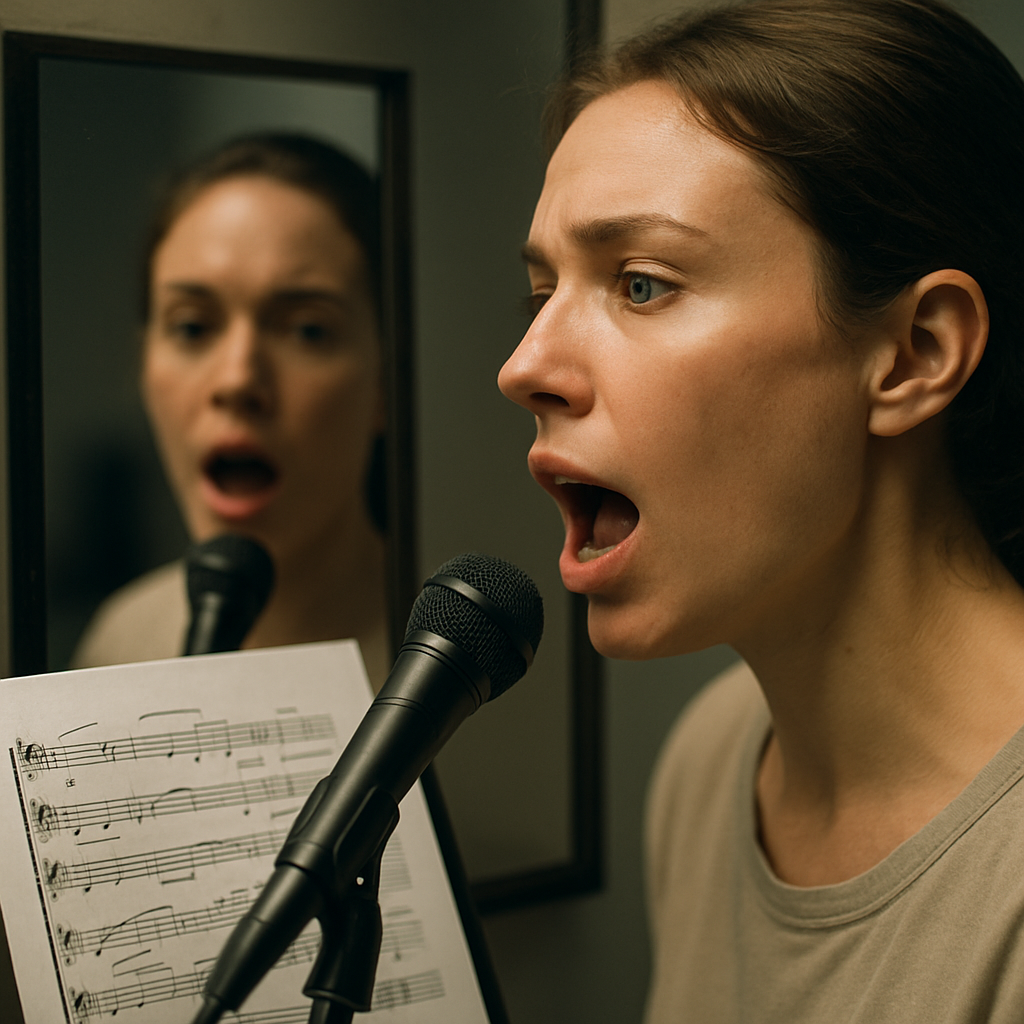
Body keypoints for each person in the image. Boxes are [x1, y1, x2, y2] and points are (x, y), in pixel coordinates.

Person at [498, 0, 1024, 1019]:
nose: (525, 368)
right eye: (539, 292)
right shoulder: (713, 760)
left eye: (641, 284)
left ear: (916, 352)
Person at [72, 133, 391, 687]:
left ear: (389, 380)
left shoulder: (463, 664)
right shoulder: (123, 642)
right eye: (192, 326)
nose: (239, 379)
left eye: (307, 330)